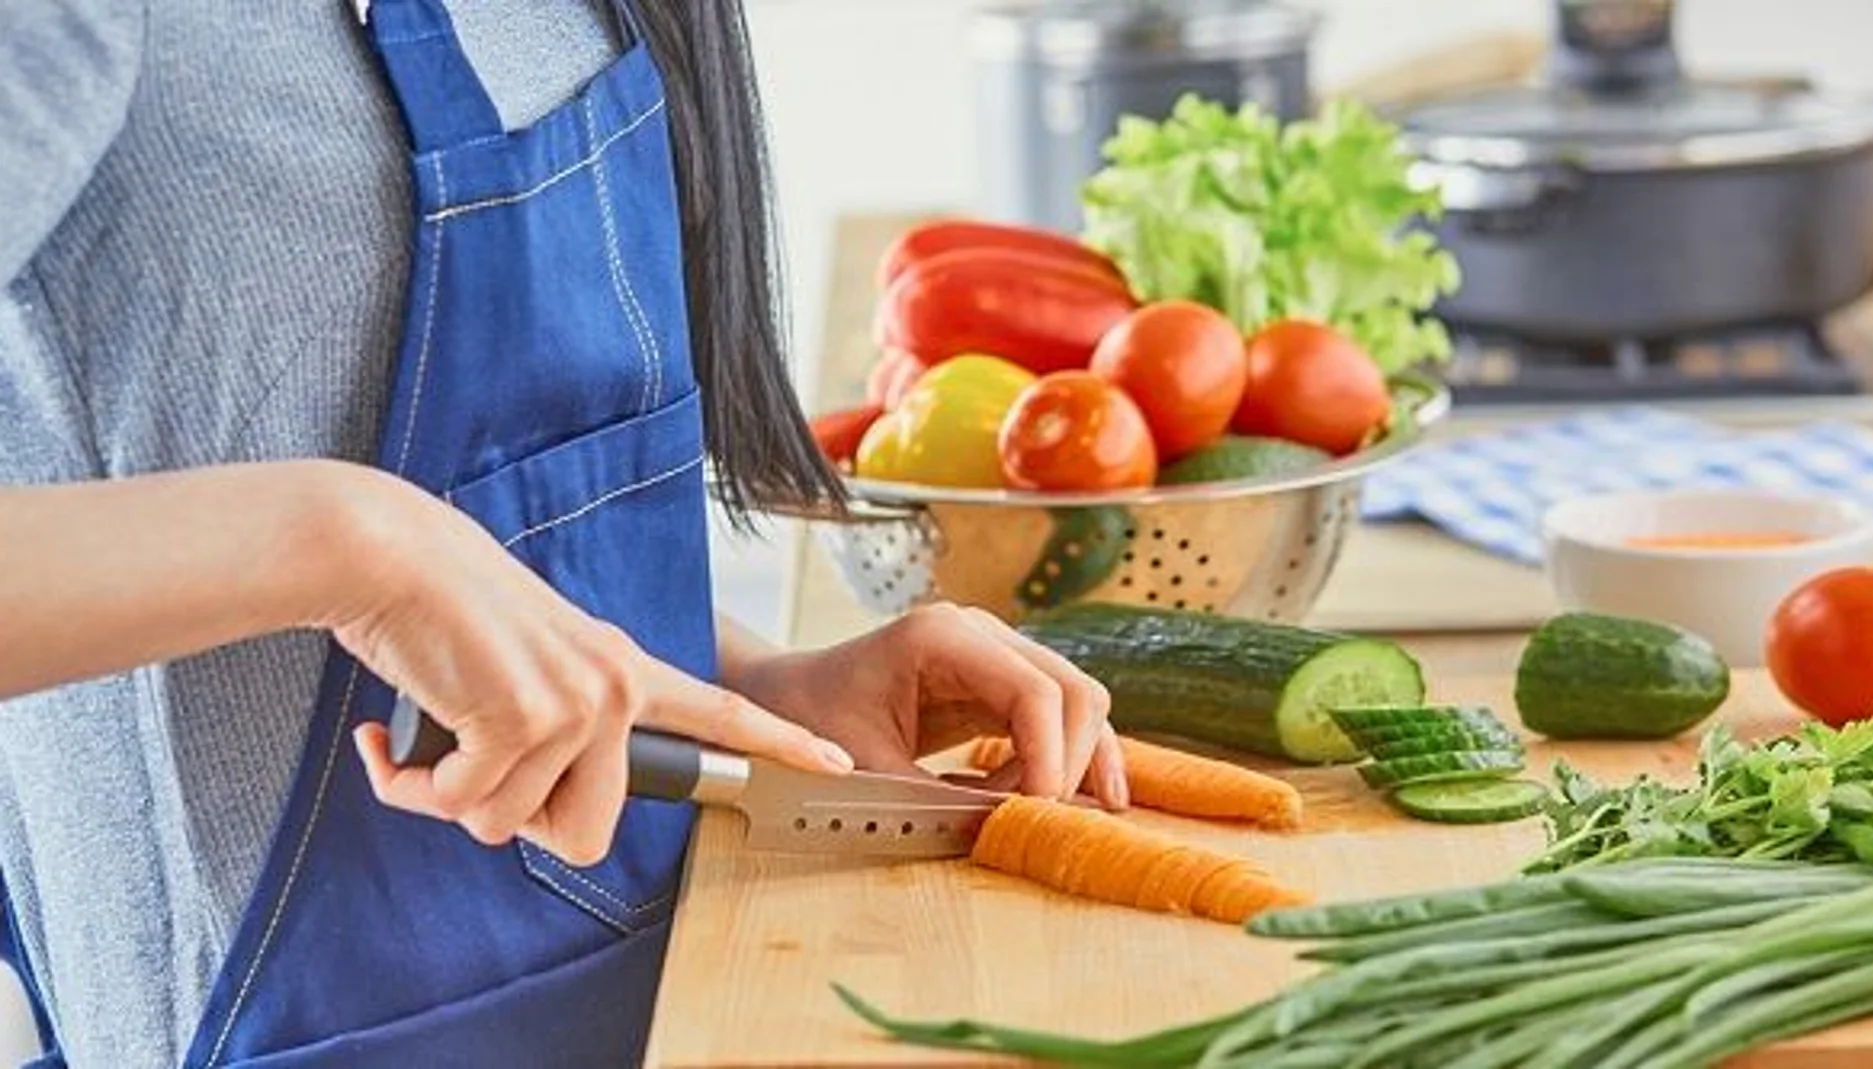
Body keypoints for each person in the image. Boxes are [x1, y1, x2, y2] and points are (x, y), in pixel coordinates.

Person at [0, 2, 1128, 1066]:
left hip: (681, 990)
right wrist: (351, 545)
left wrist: (744, 690)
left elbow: (483, 477)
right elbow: (377, 539)